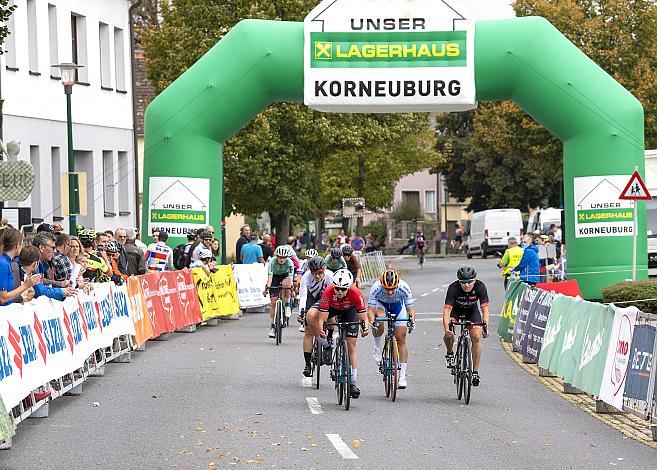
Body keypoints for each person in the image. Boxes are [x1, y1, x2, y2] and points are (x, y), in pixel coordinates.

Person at [305, 269, 369, 399]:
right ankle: (327, 345)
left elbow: (363, 317)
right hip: (332, 308)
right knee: (311, 316)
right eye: (337, 288)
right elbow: (322, 317)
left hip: (349, 311)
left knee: (351, 346)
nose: (339, 291)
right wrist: (321, 328)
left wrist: (365, 328)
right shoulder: (328, 291)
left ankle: (352, 383)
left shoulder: (356, 293)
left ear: (349, 287)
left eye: (343, 289)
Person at [368, 269, 415, 389]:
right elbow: (370, 310)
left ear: (397, 285)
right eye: (387, 289)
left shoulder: (404, 287)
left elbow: (410, 309)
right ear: (382, 285)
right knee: (380, 320)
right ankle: (377, 347)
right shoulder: (376, 288)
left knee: (401, 337)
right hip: (381, 306)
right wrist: (373, 321)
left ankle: (402, 376)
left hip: (398, 307)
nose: (390, 292)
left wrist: (411, 320)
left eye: (392, 289)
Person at [443, 266, 489, 387]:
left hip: (472, 312)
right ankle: (449, 353)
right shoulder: (453, 288)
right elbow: (447, 311)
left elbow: (485, 310)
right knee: (449, 334)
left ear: (475, 280)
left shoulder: (480, 286)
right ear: (459, 281)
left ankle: (475, 372)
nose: (467, 285)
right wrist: (447, 330)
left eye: (470, 282)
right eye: (463, 282)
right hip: (456, 312)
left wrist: (486, 327)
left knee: (476, 337)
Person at [298, 257, 334, 367]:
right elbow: (303, 296)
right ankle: (307, 365)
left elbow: (332, 297)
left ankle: (330, 337)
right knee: (308, 332)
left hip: (326, 298)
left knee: (331, 317)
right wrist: (301, 312)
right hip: (311, 298)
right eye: (314, 273)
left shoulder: (330, 276)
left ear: (324, 269)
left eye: (320, 273)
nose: (317, 276)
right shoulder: (306, 277)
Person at [0, 228, 43, 306]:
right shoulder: (3, 263)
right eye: (22, 243)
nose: (23, 247)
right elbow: (3, 298)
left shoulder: (8, 262)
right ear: (17, 245)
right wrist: (26, 285)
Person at [32, 233, 77, 300]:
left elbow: (44, 282)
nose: (55, 251)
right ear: (41, 248)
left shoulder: (43, 263)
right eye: (53, 248)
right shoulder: (32, 263)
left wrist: (60, 285)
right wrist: (61, 291)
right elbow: (40, 291)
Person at [264, 245, 295, 338]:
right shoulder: (272, 262)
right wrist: (268, 287)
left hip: (285, 276)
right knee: (273, 302)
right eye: (280, 257)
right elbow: (270, 276)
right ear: (276, 256)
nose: (282, 259)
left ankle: (288, 304)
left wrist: (291, 288)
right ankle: (273, 327)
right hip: (275, 277)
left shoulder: (290, 263)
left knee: (287, 285)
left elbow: (290, 277)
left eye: (284, 257)